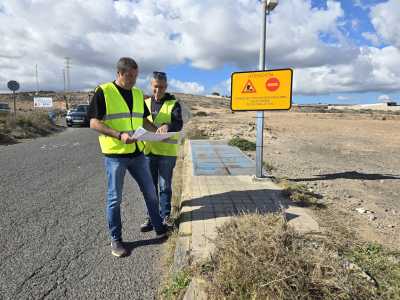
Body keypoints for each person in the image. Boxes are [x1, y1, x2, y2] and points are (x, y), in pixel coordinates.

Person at [88, 57, 167, 258]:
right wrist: (119, 135)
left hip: (138, 153)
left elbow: (143, 119)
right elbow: (94, 123)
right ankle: (116, 240)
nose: (133, 80)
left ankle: (159, 227)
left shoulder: (138, 93)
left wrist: (157, 130)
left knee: (150, 192)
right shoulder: (104, 91)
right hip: (115, 154)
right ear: (119, 73)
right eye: (129, 76)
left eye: (135, 76)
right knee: (115, 199)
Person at [140, 71, 183, 232]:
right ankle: (151, 217)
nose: (158, 90)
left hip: (167, 153)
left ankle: (165, 216)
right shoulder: (144, 103)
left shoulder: (173, 104)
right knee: (149, 187)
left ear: (166, 86)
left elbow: (179, 123)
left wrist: (168, 126)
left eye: (162, 87)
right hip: (148, 151)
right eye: (156, 87)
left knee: (164, 186)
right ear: (151, 85)